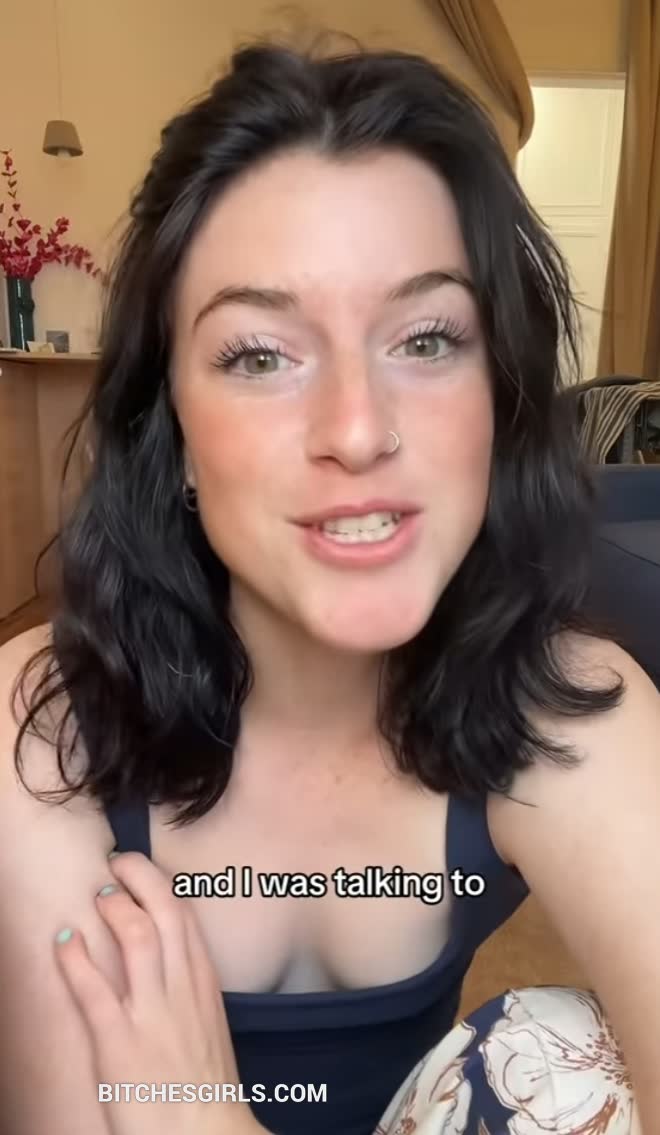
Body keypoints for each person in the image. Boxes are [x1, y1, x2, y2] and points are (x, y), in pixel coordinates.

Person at [0, 34, 658, 1135]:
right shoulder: (43, 727)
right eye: (261, 355)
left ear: (498, 393)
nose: (357, 430)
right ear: (172, 430)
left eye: (427, 338)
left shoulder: (570, 706)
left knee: (557, 1058)